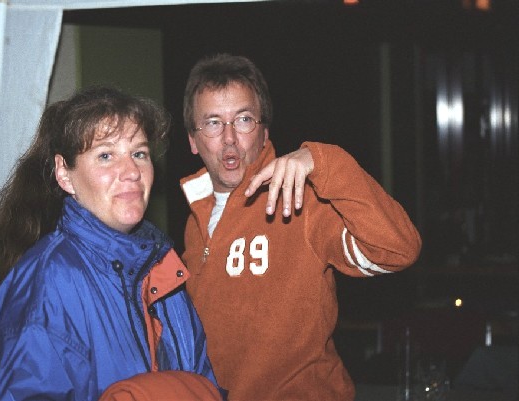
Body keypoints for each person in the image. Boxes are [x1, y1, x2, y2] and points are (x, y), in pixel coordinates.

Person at [179, 53, 422, 401]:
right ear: (193, 139)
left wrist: (324, 162)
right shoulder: (194, 221)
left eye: (244, 119)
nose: (229, 138)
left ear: (264, 133)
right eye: (213, 123)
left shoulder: (301, 201)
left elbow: (399, 250)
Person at [0, 86, 224, 401]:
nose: (131, 172)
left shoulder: (163, 268)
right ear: (64, 175)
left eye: (139, 153)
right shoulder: (52, 281)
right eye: (106, 156)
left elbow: (202, 384)